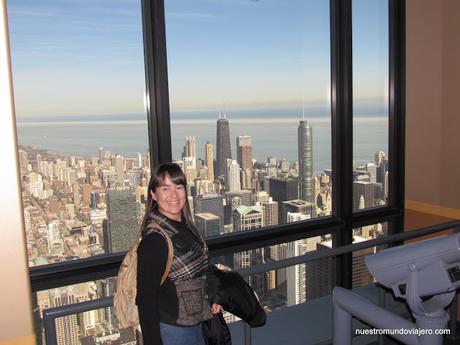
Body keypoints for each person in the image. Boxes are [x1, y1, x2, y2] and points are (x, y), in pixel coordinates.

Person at [136, 162, 220, 345]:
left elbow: (201, 269)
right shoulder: (155, 240)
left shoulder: (185, 226)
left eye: (179, 187)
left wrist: (212, 296)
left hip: (196, 323)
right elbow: (145, 301)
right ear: (153, 194)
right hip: (173, 331)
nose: (174, 195)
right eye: (165, 188)